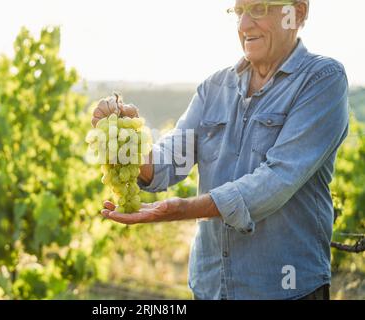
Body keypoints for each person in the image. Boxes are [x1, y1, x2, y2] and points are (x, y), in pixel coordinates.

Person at [91, 0, 348, 300]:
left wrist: (181, 209)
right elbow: (168, 163)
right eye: (239, 12)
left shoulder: (321, 80)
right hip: (212, 289)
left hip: (287, 292)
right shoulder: (214, 87)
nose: (243, 25)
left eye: (259, 9)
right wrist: (125, 138)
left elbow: (276, 181)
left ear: (297, 13)